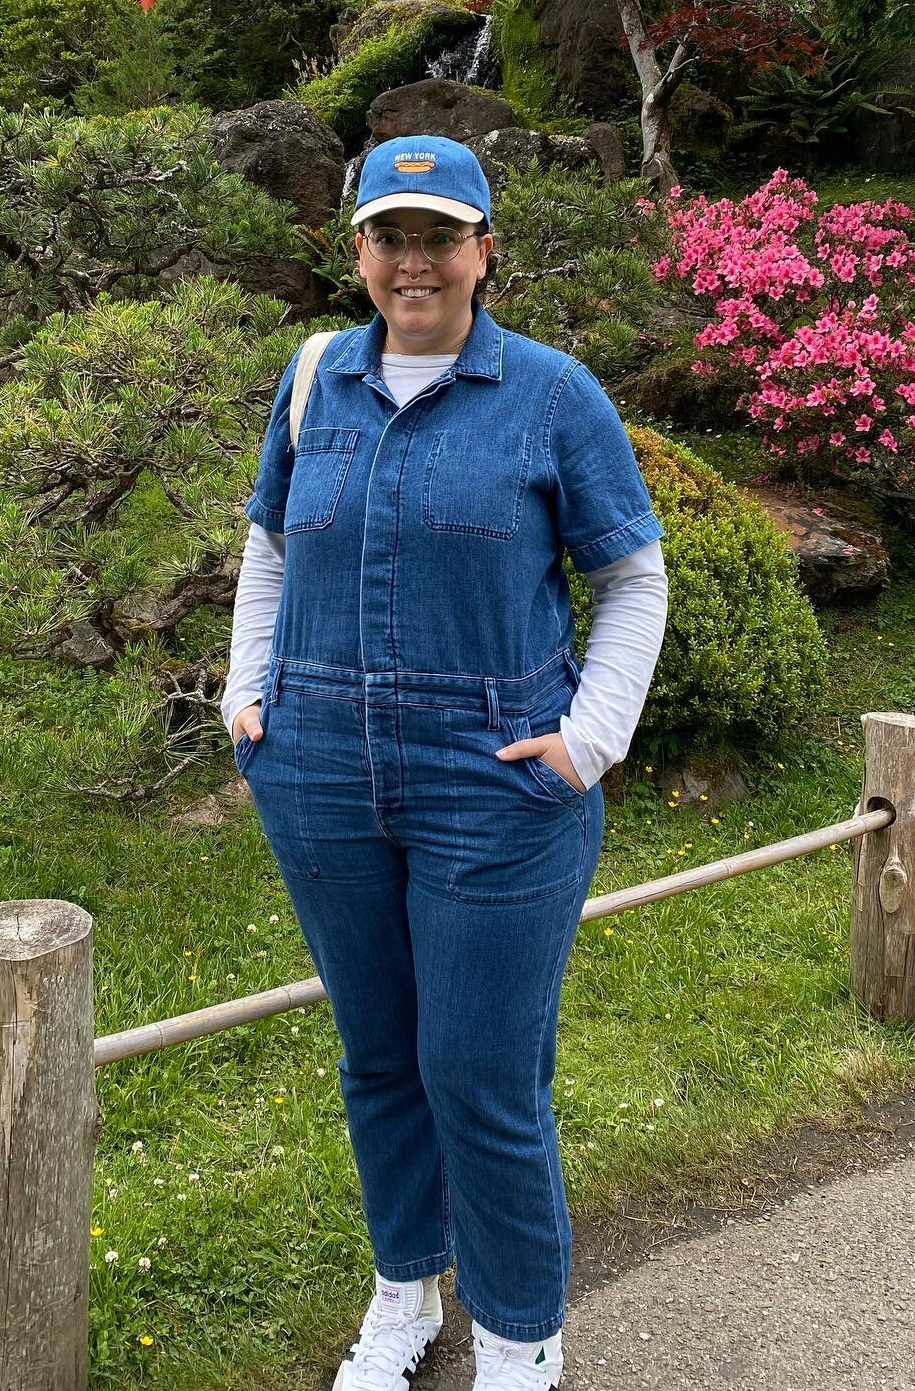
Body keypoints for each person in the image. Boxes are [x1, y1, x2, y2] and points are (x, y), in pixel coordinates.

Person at [222, 135, 669, 1391]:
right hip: (317, 766)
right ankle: (405, 1291)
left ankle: (522, 1332)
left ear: (485, 250)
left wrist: (589, 741)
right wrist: (245, 695)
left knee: (479, 1068)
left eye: (439, 234)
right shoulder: (314, 379)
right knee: (378, 1056)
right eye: (389, 235)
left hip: (496, 778)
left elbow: (633, 575)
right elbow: (268, 548)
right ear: (357, 249)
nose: (413, 259)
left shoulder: (551, 393)